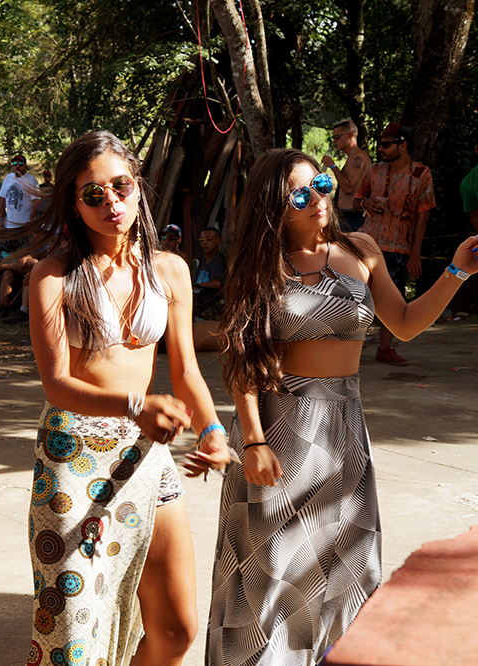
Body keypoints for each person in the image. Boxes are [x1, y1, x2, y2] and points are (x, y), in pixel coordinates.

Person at [208, 148, 478, 666]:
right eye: (299, 195)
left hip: (344, 433)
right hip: (280, 430)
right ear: (273, 207)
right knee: (271, 577)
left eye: (322, 185)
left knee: (345, 570)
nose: (317, 200)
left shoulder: (361, 249)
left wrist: (456, 272)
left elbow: (404, 323)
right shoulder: (262, 265)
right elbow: (244, 360)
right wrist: (254, 440)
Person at [19, 130, 229, 666]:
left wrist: (212, 430)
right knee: (73, 633)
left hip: (146, 456)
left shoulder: (170, 269)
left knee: (176, 630)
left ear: (138, 186)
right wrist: (136, 405)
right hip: (72, 457)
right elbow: (56, 384)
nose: (111, 202)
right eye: (93, 194)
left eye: (121, 186)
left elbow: (185, 370)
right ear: (73, 204)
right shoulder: (53, 277)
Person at [354, 122, 436, 365]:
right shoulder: (374, 170)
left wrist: (415, 253)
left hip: (398, 247)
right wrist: (365, 204)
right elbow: (355, 200)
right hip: (368, 244)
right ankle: (348, 346)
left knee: (393, 299)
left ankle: (385, 348)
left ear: (403, 146)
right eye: (380, 144)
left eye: (386, 144)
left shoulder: (421, 174)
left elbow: (424, 215)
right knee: (356, 294)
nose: (380, 148)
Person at [322, 119, 371, 232]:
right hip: (346, 216)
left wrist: (333, 166)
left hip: (354, 217)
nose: (335, 141)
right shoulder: (351, 157)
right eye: (333, 137)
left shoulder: (359, 157)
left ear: (350, 135)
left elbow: (348, 188)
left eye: (338, 137)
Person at [0, 153, 40, 254]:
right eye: (15, 164)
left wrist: (32, 219)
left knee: (23, 253)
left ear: (25, 166)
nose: (17, 166)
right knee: (8, 252)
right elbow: (2, 199)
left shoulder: (31, 180)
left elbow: (37, 201)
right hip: (9, 224)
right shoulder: (8, 178)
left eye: (20, 164)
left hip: (24, 225)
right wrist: (0, 219)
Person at [193, 227, 225, 316]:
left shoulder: (218, 260)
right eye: (202, 240)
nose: (204, 243)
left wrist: (198, 285)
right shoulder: (202, 261)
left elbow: (218, 283)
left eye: (209, 239)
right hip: (197, 296)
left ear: (218, 241)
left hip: (207, 301)